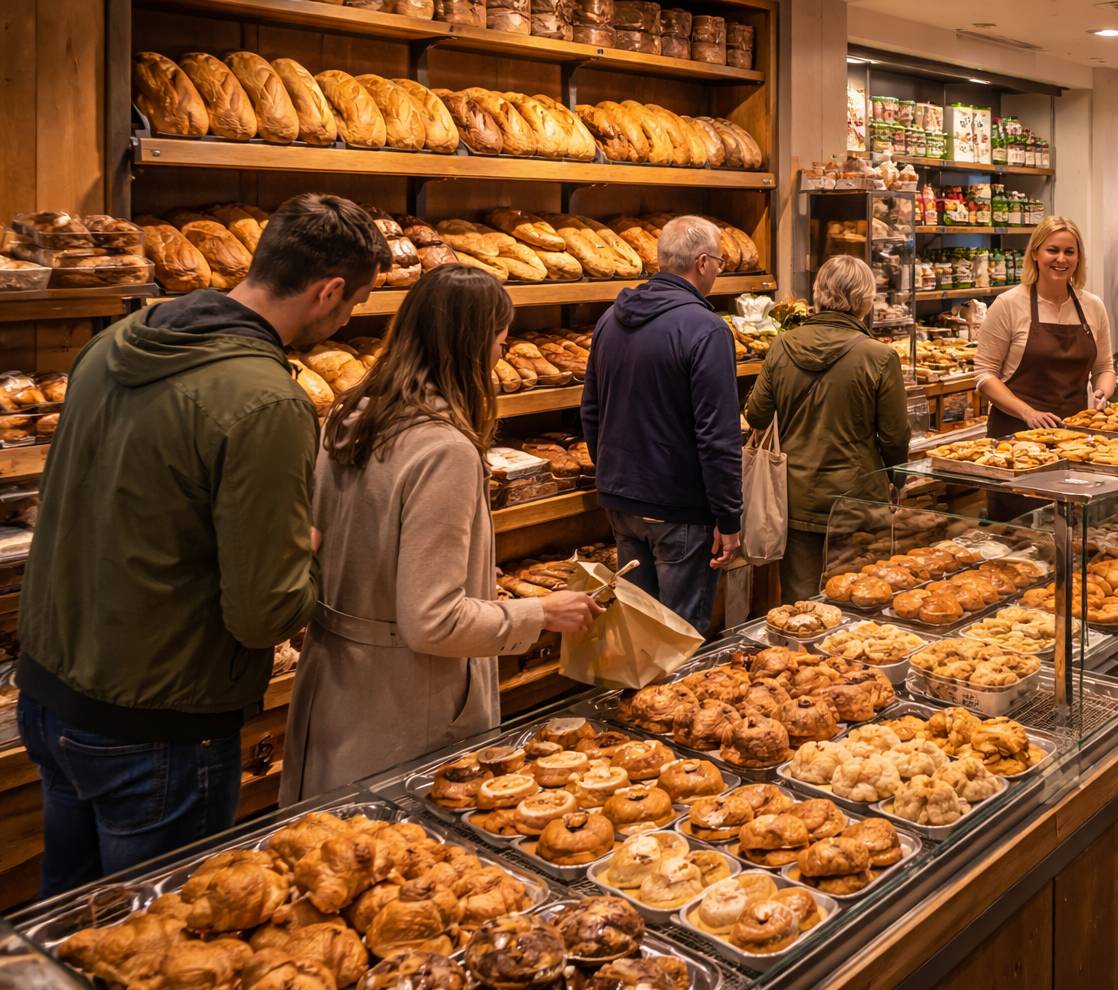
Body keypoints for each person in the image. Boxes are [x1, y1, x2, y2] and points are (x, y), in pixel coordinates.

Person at [16, 193, 391, 896]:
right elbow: (264, 613)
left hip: (50, 690)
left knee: (67, 938)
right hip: (160, 723)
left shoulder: (115, 345)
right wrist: (305, 551)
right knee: (164, 952)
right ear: (329, 290)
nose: (347, 320)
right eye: (352, 305)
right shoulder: (267, 400)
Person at [281, 266, 601, 802]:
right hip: (402, 700)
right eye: (499, 343)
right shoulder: (443, 447)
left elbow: (353, 543)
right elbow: (431, 621)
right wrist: (542, 613)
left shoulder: (351, 413)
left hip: (334, 680)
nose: (501, 357)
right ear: (471, 346)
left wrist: (471, 566)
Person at [580, 215, 742, 636]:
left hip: (622, 503)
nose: (718, 272)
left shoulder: (609, 321)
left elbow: (592, 411)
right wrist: (729, 518)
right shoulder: (706, 329)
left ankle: (639, 703)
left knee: (638, 635)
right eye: (720, 263)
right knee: (679, 637)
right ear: (703, 263)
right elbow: (717, 436)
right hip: (680, 509)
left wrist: (614, 477)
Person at [743, 256, 911, 600]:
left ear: (818, 294)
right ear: (866, 300)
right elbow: (895, 436)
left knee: (801, 602)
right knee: (858, 597)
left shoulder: (782, 346)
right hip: (858, 499)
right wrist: (897, 480)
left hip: (795, 497)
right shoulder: (880, 356)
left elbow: (757, 415)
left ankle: (801, 653)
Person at [974, 215, 1115, 519]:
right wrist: (1028, 413)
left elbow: (1104, 366)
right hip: (1015, 442)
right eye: (1053, 250)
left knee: (1071, 531)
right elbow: (984, 375)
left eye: (1070, 252)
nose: (1061, 259)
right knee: (1018, 536)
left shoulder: (1093, 306)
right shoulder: (1009, 304)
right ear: (1035, 254)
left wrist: (1102, 393)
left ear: (1079, 258)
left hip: (1076, 440)